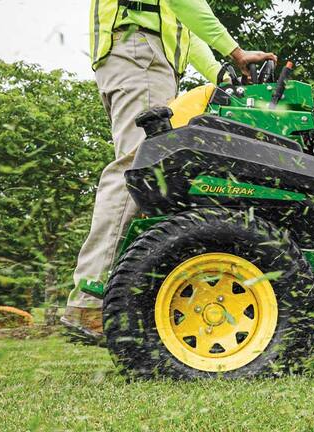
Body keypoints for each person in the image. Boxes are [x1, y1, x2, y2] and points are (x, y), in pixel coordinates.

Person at [61, 0, 276, 341]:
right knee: (138, 165)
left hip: (139, 56)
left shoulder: (155, 19)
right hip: (141, 54)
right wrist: (236, 52)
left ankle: (112, 298)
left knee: (149, 172)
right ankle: (89, 300)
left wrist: (221, 77)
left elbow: (184, 27)